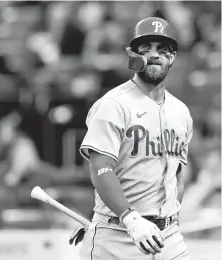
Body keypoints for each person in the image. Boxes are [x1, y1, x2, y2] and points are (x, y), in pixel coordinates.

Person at [69, 17, 193, 260]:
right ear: (132, 55)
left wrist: (168, 218)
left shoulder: (181, 112)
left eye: (162, 49)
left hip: (168, 239)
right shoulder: (113, 105)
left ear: (173, 57)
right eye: (146, 49)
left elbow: (177, 175)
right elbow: (101, 168)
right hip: (118, 238)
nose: (155, 55)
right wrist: (129, 219)